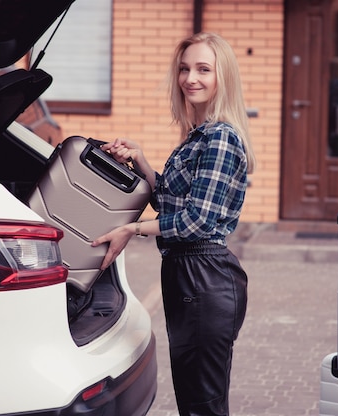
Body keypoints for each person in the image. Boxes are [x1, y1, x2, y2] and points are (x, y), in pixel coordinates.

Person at [91, 32, 255, 416]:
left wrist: (132, 229)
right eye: (184, 69)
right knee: (194, 402)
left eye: (203, 69)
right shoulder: (196, 138)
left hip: (205, 276)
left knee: (203, 406)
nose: (190, 78)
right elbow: (169, 201)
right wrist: (142, 161)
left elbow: (197, 219)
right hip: (188, 276)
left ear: (222, 78)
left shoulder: (220, 138)